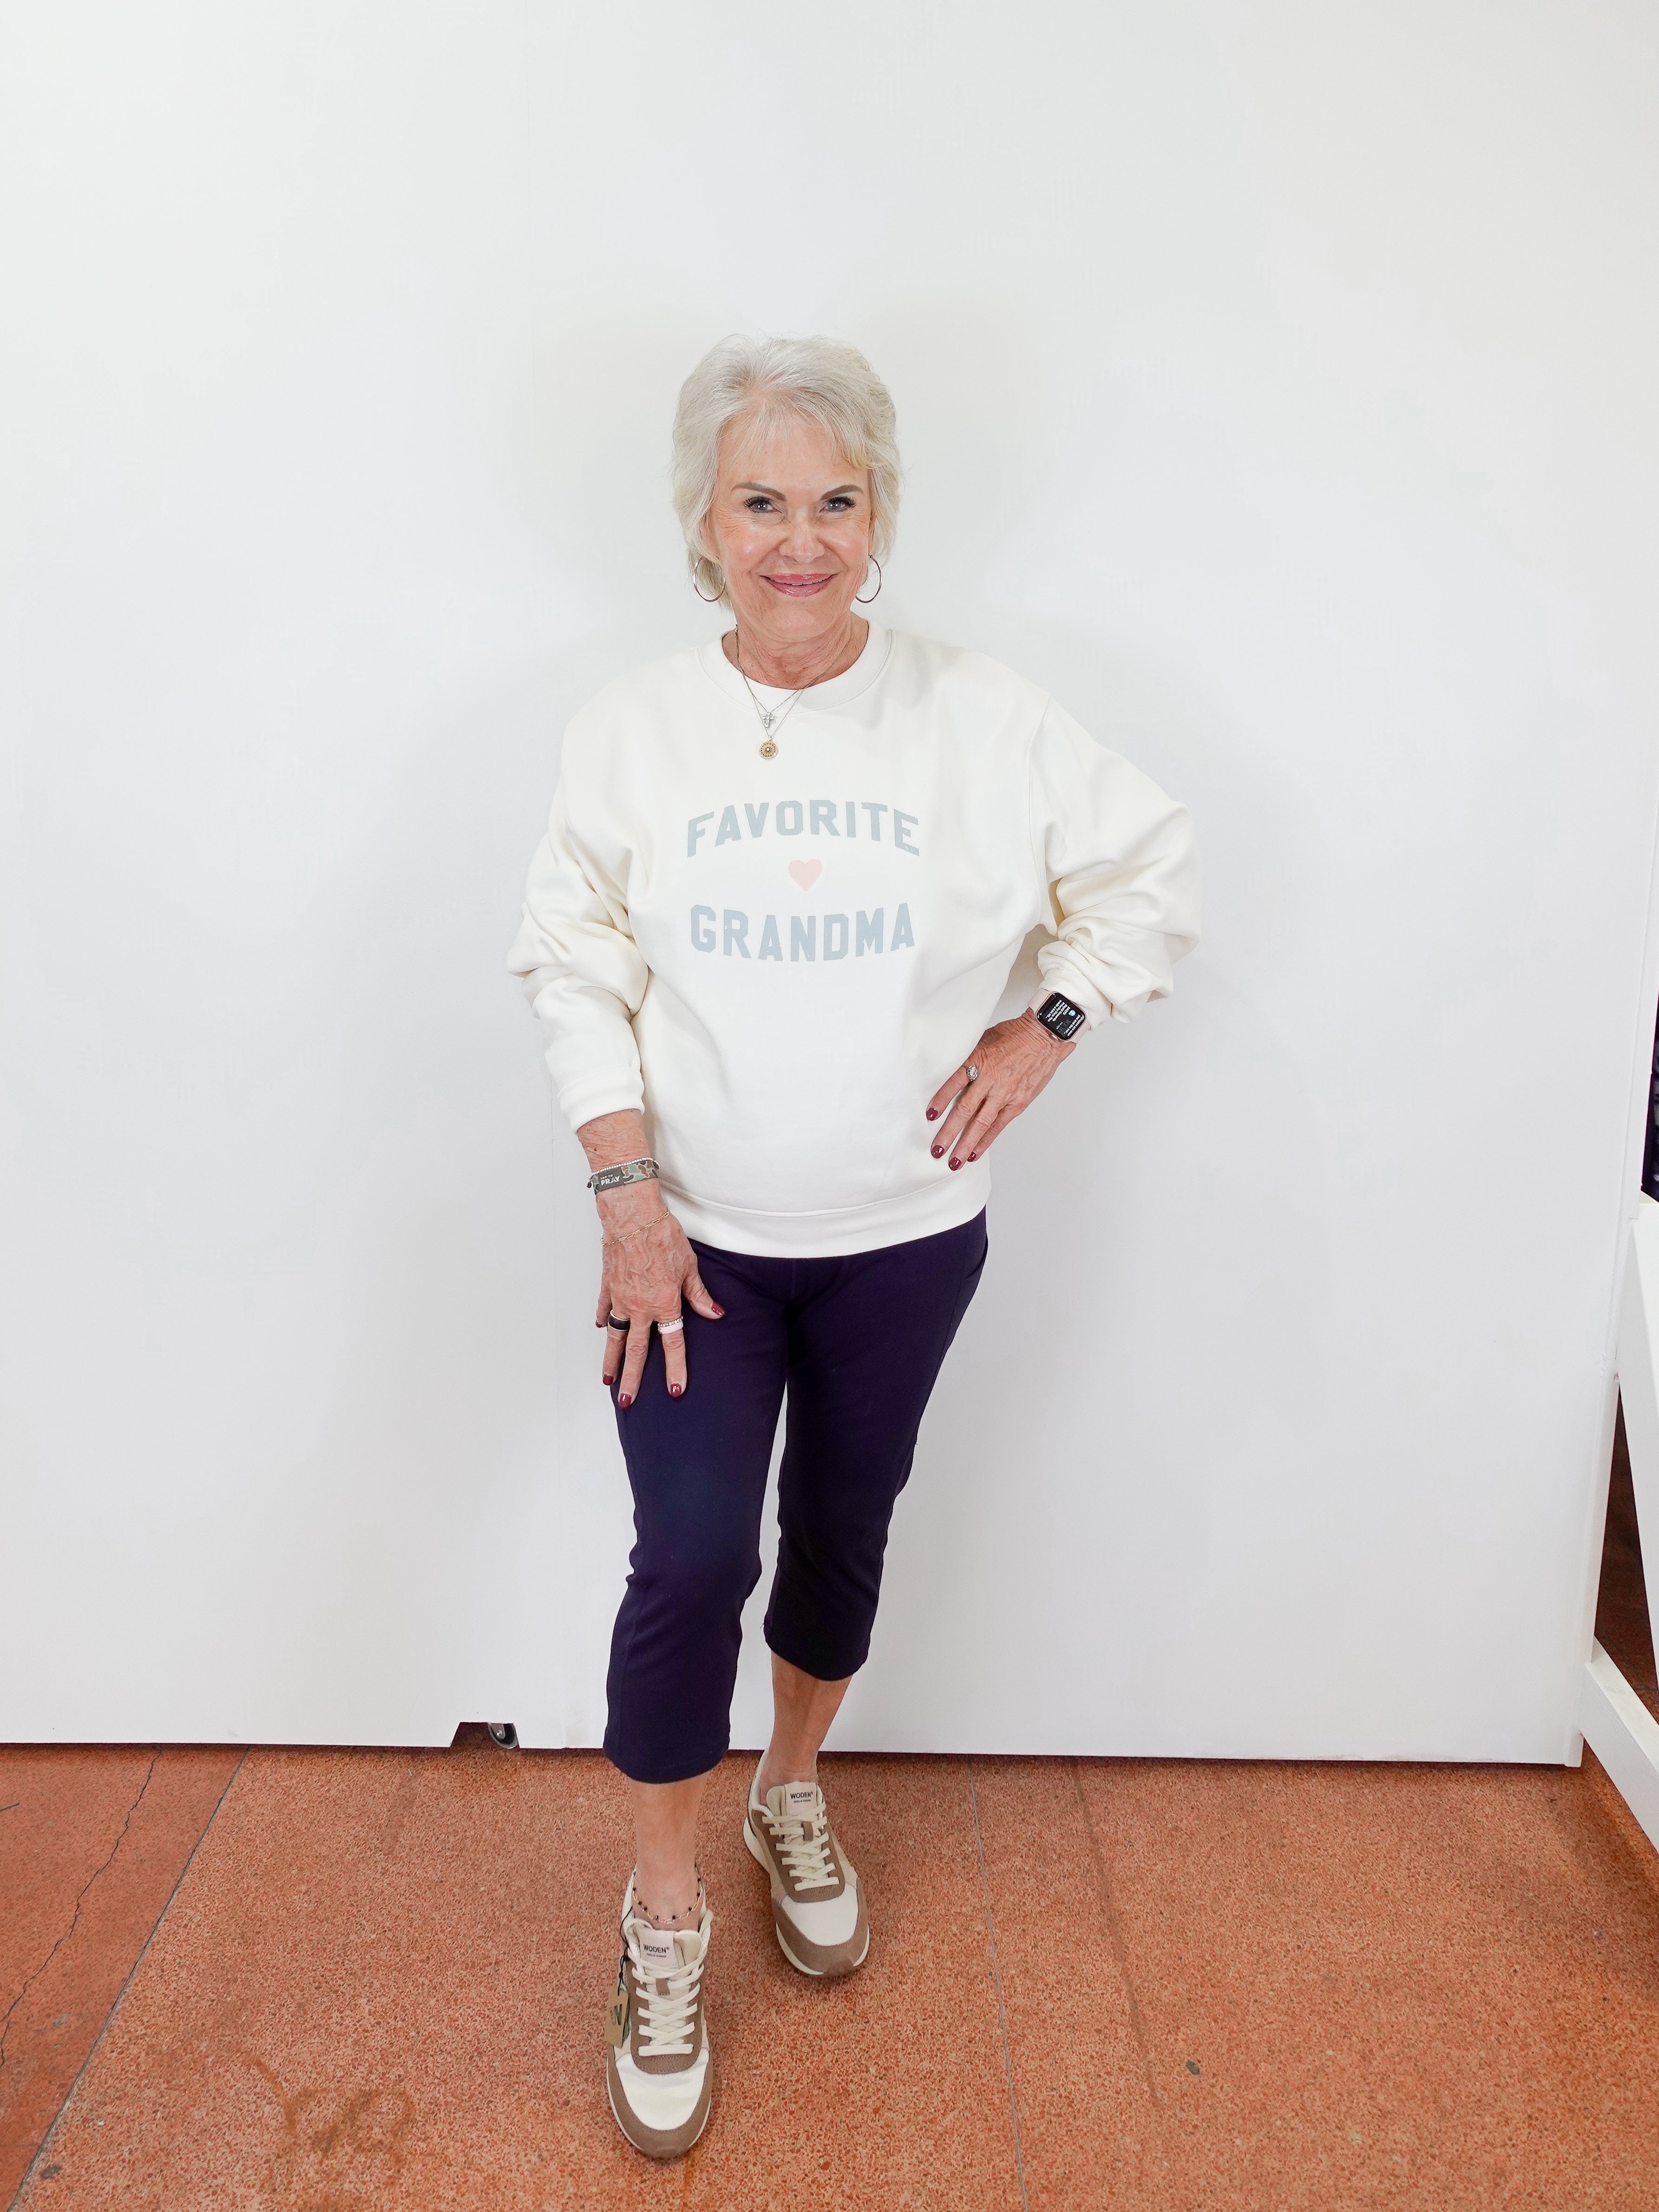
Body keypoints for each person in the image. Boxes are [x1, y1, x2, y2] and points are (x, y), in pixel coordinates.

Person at [508, 334, 1200, 2158]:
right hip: (693, 1244)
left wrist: (1042, 1025)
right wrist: (623, 1191)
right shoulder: (628, 729)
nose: (797, 538)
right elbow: (573, 959)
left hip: (906, 1238)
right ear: (701, 522)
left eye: (832, 499)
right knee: (687, 1554)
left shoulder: (976, 712)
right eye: (759, 500)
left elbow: (1148, 868)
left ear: (875, 514)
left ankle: (786, 1790)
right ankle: (661, 1909)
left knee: (840, 1528)